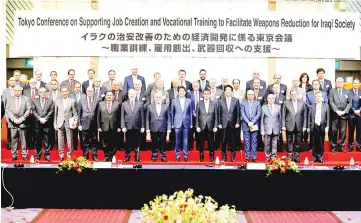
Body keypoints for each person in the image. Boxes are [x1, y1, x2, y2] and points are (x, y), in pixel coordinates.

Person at [5, 86, 31, 161]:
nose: (17, 92)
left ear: (21, 91)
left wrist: (21, 119)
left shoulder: (26, 99)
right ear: (13, 91)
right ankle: (14, 155)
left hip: (23, 123)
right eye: (15, 90)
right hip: (13, 123)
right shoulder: (10, 99)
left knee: (24, 140)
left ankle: (24, 155)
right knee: (13, 140)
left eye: (18, 90)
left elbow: (28, 110)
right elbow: (7, 110)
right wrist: (14, 120)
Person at [282, 89, 307, 163]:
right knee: (289, 141)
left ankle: (296, 156)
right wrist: (283, 125)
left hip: (299, 124)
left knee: (298, 141)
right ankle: (289, 157)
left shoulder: (302, 102)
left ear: (297, 95)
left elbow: (305, 115)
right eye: (292, 94)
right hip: (289, 124)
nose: (293, 95)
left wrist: (305, 125)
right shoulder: (286, 103)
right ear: (290, 95)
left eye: (295, 94)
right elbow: (283, 115)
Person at [54, 87, 78, 161]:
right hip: (60, 123)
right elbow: (55, 114)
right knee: (60, 140)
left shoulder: (72, 101)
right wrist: (55, 124)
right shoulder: (57, 101)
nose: (64, 93)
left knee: (70, 140)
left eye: (65, 91)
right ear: (60, 93)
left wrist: (75, 122)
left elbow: (75, 113)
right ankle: (61, 155)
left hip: (69, 123)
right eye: (62, 92)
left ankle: (69, 155)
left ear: (68, 92)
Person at [328, 77, 352, 153]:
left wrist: (345, 111)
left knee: (342, 131)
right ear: (336, 83)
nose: (340, 83)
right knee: (334, 131)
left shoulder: (347, 91)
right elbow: (331, 101)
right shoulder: (332, 91)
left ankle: (341, 146)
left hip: (344, 115)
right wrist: (336, 110)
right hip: (335, 114)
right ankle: (334, 146)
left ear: (343, 83)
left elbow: (350, 102)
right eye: (338, 82)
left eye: (341, 82)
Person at [121, 89, 145, 162]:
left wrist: (143, 126)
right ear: (128, 95)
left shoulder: (140, 104)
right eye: (130, 94)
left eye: (133, 94)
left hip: (137, 126)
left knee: (137, 142)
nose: (132, 95)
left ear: (135, 95)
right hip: (128, 126)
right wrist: (123, 126)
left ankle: (137, 157)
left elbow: (142, 116)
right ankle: (127, 157)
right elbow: (122, 116)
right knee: (128, 143)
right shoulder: (124, 104)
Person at [146, 92, 171, 162]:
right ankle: (154, 156)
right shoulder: (149, 106)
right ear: (154, 98)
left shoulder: (166, 106)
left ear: (162, 98)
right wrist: (147, 129)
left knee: (163, 144)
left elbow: (169, 118)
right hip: (153, 127)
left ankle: (163, 156)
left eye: (159, 97)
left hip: (163, 128)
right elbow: (147, 119)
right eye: (156, 97)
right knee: (154, 143)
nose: (158, 99)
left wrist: (169, 128)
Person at [218, 85, 240, 162]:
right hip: (223, 124)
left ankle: (232, 157)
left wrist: (237, 122)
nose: (228, 91)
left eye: (229, 90)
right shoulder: (220, 100)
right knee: (223, 141)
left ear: (231, 91)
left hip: (233, 124)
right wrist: (219, 123)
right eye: (226, 90)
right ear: (224, 92)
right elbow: (219, 113)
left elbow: (238, 112)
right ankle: (224, 157)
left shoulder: (236, 100)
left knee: (233, 141)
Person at [32, 87, 55, 161]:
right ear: (39, 93)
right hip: (37, 124)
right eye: (41, 92)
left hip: (47, 123)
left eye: (44, 92)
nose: (43, 93)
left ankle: (47, 155)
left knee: (47, 140)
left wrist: (45, 118)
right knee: (37, 141)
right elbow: (33, 110)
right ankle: (37, 156)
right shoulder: (35, 100)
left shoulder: (50, 101)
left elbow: (52, 110)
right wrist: (39, 118)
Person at [97, 91, 121, 161]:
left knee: (114, 142)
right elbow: (98, 116)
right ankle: (107, 156)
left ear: (113, 97)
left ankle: (112, 155)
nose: (109, 97)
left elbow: (119, 116)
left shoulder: (117, 104)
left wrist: (119, 126)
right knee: (104, 142)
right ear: (105, 96)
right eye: (108, 95)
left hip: (114, 126)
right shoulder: (101, 104)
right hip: (104, 126)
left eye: (111, 95)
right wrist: (98, 126)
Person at [195, 89, 218, 162]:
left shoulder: (214, 103)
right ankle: (201, 156)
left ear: (210, 95)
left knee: (211, 142)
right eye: (205, 93)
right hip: (202, 125)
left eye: (208, 94)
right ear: (203, 95)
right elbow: (197, 116)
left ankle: (212, 156)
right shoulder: (199, 103)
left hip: (211, 125)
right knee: (201, 142)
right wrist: (197, 126)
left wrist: (215, 126)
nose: (206, 95)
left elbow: (216, 116)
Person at [171, 86, 193, 162]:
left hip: (186, 123)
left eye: (183, 91)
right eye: (180, 91)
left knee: (185, 141)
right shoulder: (174, 101)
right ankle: (177, 156)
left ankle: (186, 155)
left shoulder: (189, 101)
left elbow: (190, 113)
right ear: (178, 92)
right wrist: (172, 123)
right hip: (177, 123)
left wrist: (191, 123)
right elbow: (172, 113)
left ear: (185, 92)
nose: (181, 92)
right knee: (177, 141)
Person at [78, 87, 99, 161]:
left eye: (91, 91)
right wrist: (79, 124)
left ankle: (94, 155)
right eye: (88, 91)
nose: (90, 92)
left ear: (93, 92)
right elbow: (79, 113)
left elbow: (98, 114)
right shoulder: (81, 100)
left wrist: (98, 125)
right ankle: (86, 155)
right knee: (85, 141)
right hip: (84, 123)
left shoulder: (97, 100)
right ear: (86, 92)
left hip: (94, 124)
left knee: (94, 140)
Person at [308, 92, 330, 163]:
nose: (318, 98)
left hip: (322, 126)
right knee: (314, 142)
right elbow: (309, 118)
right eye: (317, 96)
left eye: (320, 96)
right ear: (315, 98)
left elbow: (328, 117)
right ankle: (314, 157)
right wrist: (308, 127)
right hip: (314, 126)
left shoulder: (326, 106)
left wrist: (327, 126)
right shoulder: (312, 106)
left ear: (322, 98)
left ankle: (320, 158)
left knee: (321, 143)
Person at [241, 90, 261, 162]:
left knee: (254, 141)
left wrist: (252, 122)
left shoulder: (257, 103)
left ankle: (254, 157)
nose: (250, 96)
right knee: (246, 142)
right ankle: (247, 156)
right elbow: (242, 114)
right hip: (246, 125)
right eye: (249, 94)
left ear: (254, 95)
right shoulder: (243, 103)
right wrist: (248, 122)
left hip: (254, 125)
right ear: (247, 95)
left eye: (252, 94)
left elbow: (258, 114)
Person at [261, 94, 282, 161]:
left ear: (274, 99)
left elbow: (280, 118)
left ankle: (274, 157)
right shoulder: (263, 107)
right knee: (267, 144)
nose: (271, 99)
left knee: (274, 143)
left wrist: (280, 128)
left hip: (276, 128)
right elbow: (262, 119)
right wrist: (262, 130)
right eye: (269, 98)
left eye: (272, 98)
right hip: (267, 128)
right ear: (267, 99)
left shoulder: (278, 107)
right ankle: (267, 157)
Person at [348, 78, 361, 152]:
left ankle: (359, 146)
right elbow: (348, 103)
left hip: (359, 115)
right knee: (351, 131)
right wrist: (354, 110)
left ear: (359, 84)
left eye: (357, 83)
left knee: (359, 132)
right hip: (351, 115)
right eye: (355, 83)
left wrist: (359, 110)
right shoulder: (348, 92)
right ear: (352, 84)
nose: (356, 84)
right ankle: (350, 146)